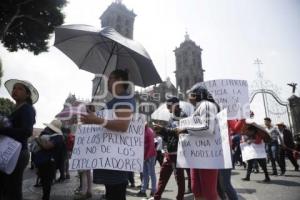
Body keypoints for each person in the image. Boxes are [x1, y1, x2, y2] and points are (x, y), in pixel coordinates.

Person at [81, 69, 135, 200]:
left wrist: (95, 119)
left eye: (110, 78)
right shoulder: (114, 101)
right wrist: (94, 113)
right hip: (109, 161)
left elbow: (122, 125)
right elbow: (104, 123)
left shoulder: (125, 98)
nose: (107, 81)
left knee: (116, 195)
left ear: (120, 80)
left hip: (116, 164)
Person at [179, 85, 220, 200]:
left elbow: (207, 128)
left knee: (208, 191)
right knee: (197, 189)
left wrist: (185, 129)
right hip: (197, 156)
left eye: (190, 94)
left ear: (197, 95)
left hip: (207, 156)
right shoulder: (197, 108)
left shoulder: (207, 105)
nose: (188, 98)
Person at [0, 79, 38, 200]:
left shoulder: (27, 109)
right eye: (14, 88)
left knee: (13, 188)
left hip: (18, 152)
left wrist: (2, 130)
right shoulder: (16, 109)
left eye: (20, 88)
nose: (15, 90)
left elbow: (27, 132)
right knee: (6, 186)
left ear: (27, 94)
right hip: (10, 151)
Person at [153, 97, 188, 200]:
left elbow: (179, 132)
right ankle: (157, 196)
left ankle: (179, 197)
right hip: (170, 152)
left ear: (175, 105)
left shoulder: (183, 116)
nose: (168, 109)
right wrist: (160, 131)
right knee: (163, 177)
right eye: (167, 106)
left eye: (169, 106)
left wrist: (164, 129)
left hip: (178, 153)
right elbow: (169, 135)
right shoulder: (171, 117)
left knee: (179, 178)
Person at [33, 119, 64, 200]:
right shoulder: (54, 136)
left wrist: (37, 140)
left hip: (49, 162)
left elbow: (47, 146)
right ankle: (45, 196)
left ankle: (45, 197)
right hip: (46, 162)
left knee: (46, 182)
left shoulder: (58, 137)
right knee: (44, 180)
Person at [136, 123, 157, 198]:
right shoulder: (149, 130)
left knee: (151, 173)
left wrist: (146, 157)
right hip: (147, 155)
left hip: (149, 155)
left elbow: (150, 146)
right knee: (146, 173)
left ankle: (153, 190)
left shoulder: (147, 132)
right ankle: (144, 190)